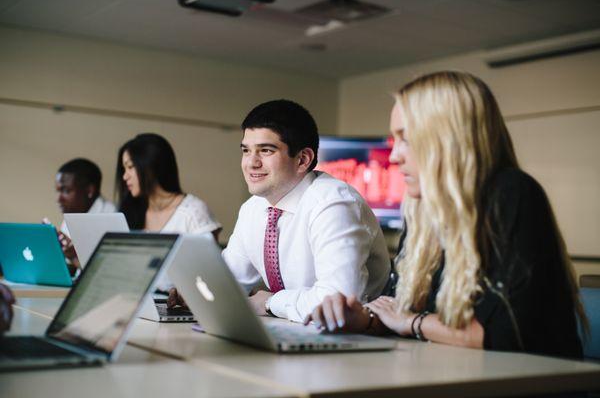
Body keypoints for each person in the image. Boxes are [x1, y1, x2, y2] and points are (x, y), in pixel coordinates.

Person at [306, 71, 585, 359]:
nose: (393, 156)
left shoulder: (512, 194)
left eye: (407, 139)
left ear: (448, 139)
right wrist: (364, 320)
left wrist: (414, 322)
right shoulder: (423, 213)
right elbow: (396, 312)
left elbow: (506, 334)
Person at [169, 99, 390, 323]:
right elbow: (229, 280)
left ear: (303, 159)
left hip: (358, 341)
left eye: (265, 150)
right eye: (246, 151)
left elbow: (338, 301)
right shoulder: (253, 209)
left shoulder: (333, 204)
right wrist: (194, 289)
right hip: (295, 330)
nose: (251, 163)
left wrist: (269, 302)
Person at [116, 133, 221, 237]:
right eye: (124, 169)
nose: (125, 177)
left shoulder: (192, 212)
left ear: (151, 166)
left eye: (130, 166)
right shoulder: (129, 213)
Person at [54, 158, 116, 270]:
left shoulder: (113, 216)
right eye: (58, 191)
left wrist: (75, 256)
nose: (58, 199)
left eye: (66, 191)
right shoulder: (72, 214)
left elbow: (110, 271)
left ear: (89, 191)